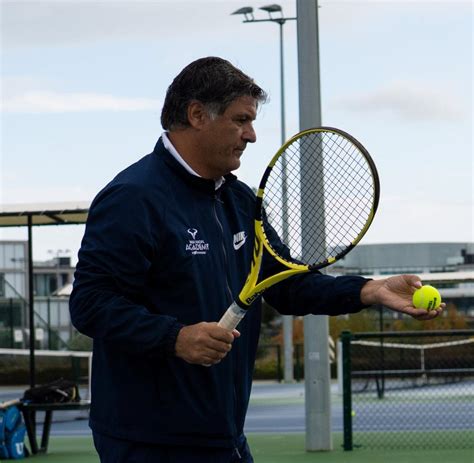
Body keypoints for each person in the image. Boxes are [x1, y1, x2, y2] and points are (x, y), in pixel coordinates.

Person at [69, 56, 443, 463]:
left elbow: (288, 283)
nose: (251, 135)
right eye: (241, 120)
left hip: (225, 438)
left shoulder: (238, 197)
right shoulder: (133, 197)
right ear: (197, 115)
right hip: (149, 442)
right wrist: (175, 338)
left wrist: (369, 290)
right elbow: (91, 303)